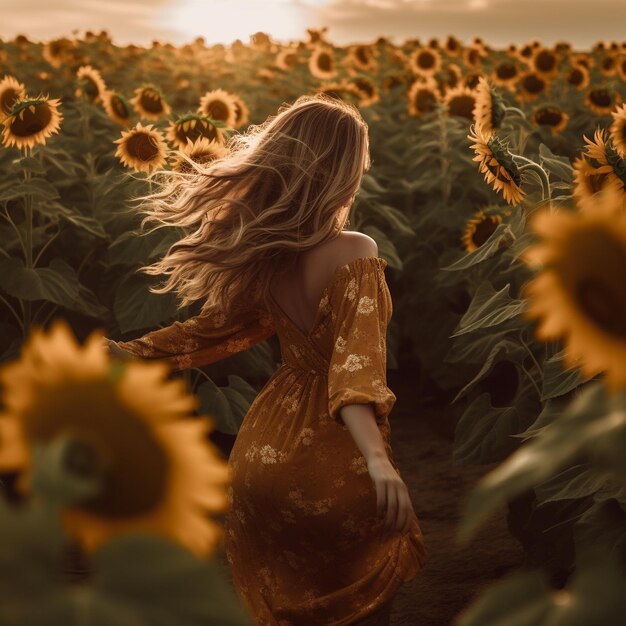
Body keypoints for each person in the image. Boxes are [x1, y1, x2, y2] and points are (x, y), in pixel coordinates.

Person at [105, 93, 426, 625]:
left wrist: (125, 353)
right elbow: (353, 372)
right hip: (332, 458)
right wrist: (377, 460)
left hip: (260, 457)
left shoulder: (270, 262)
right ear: (343, 171)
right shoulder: (357, 253)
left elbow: (211, 333)